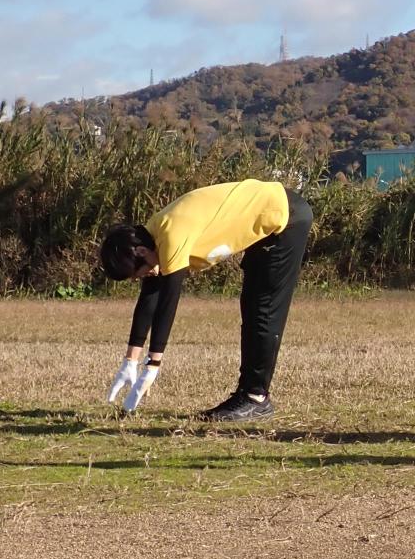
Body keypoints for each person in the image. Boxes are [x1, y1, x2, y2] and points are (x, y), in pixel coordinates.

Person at [97, 179, 313, 423]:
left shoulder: (171, 233)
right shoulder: (153, 234)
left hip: (286, 216)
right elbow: (150, 296)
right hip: (270, 218)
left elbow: (168, 300)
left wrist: (153, 364)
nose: (146, 276)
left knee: (263, 310)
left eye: (141, 272)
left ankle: (255, 398)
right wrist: (130, 360)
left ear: (141, 252)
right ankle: (248, 393)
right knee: (252, 308)